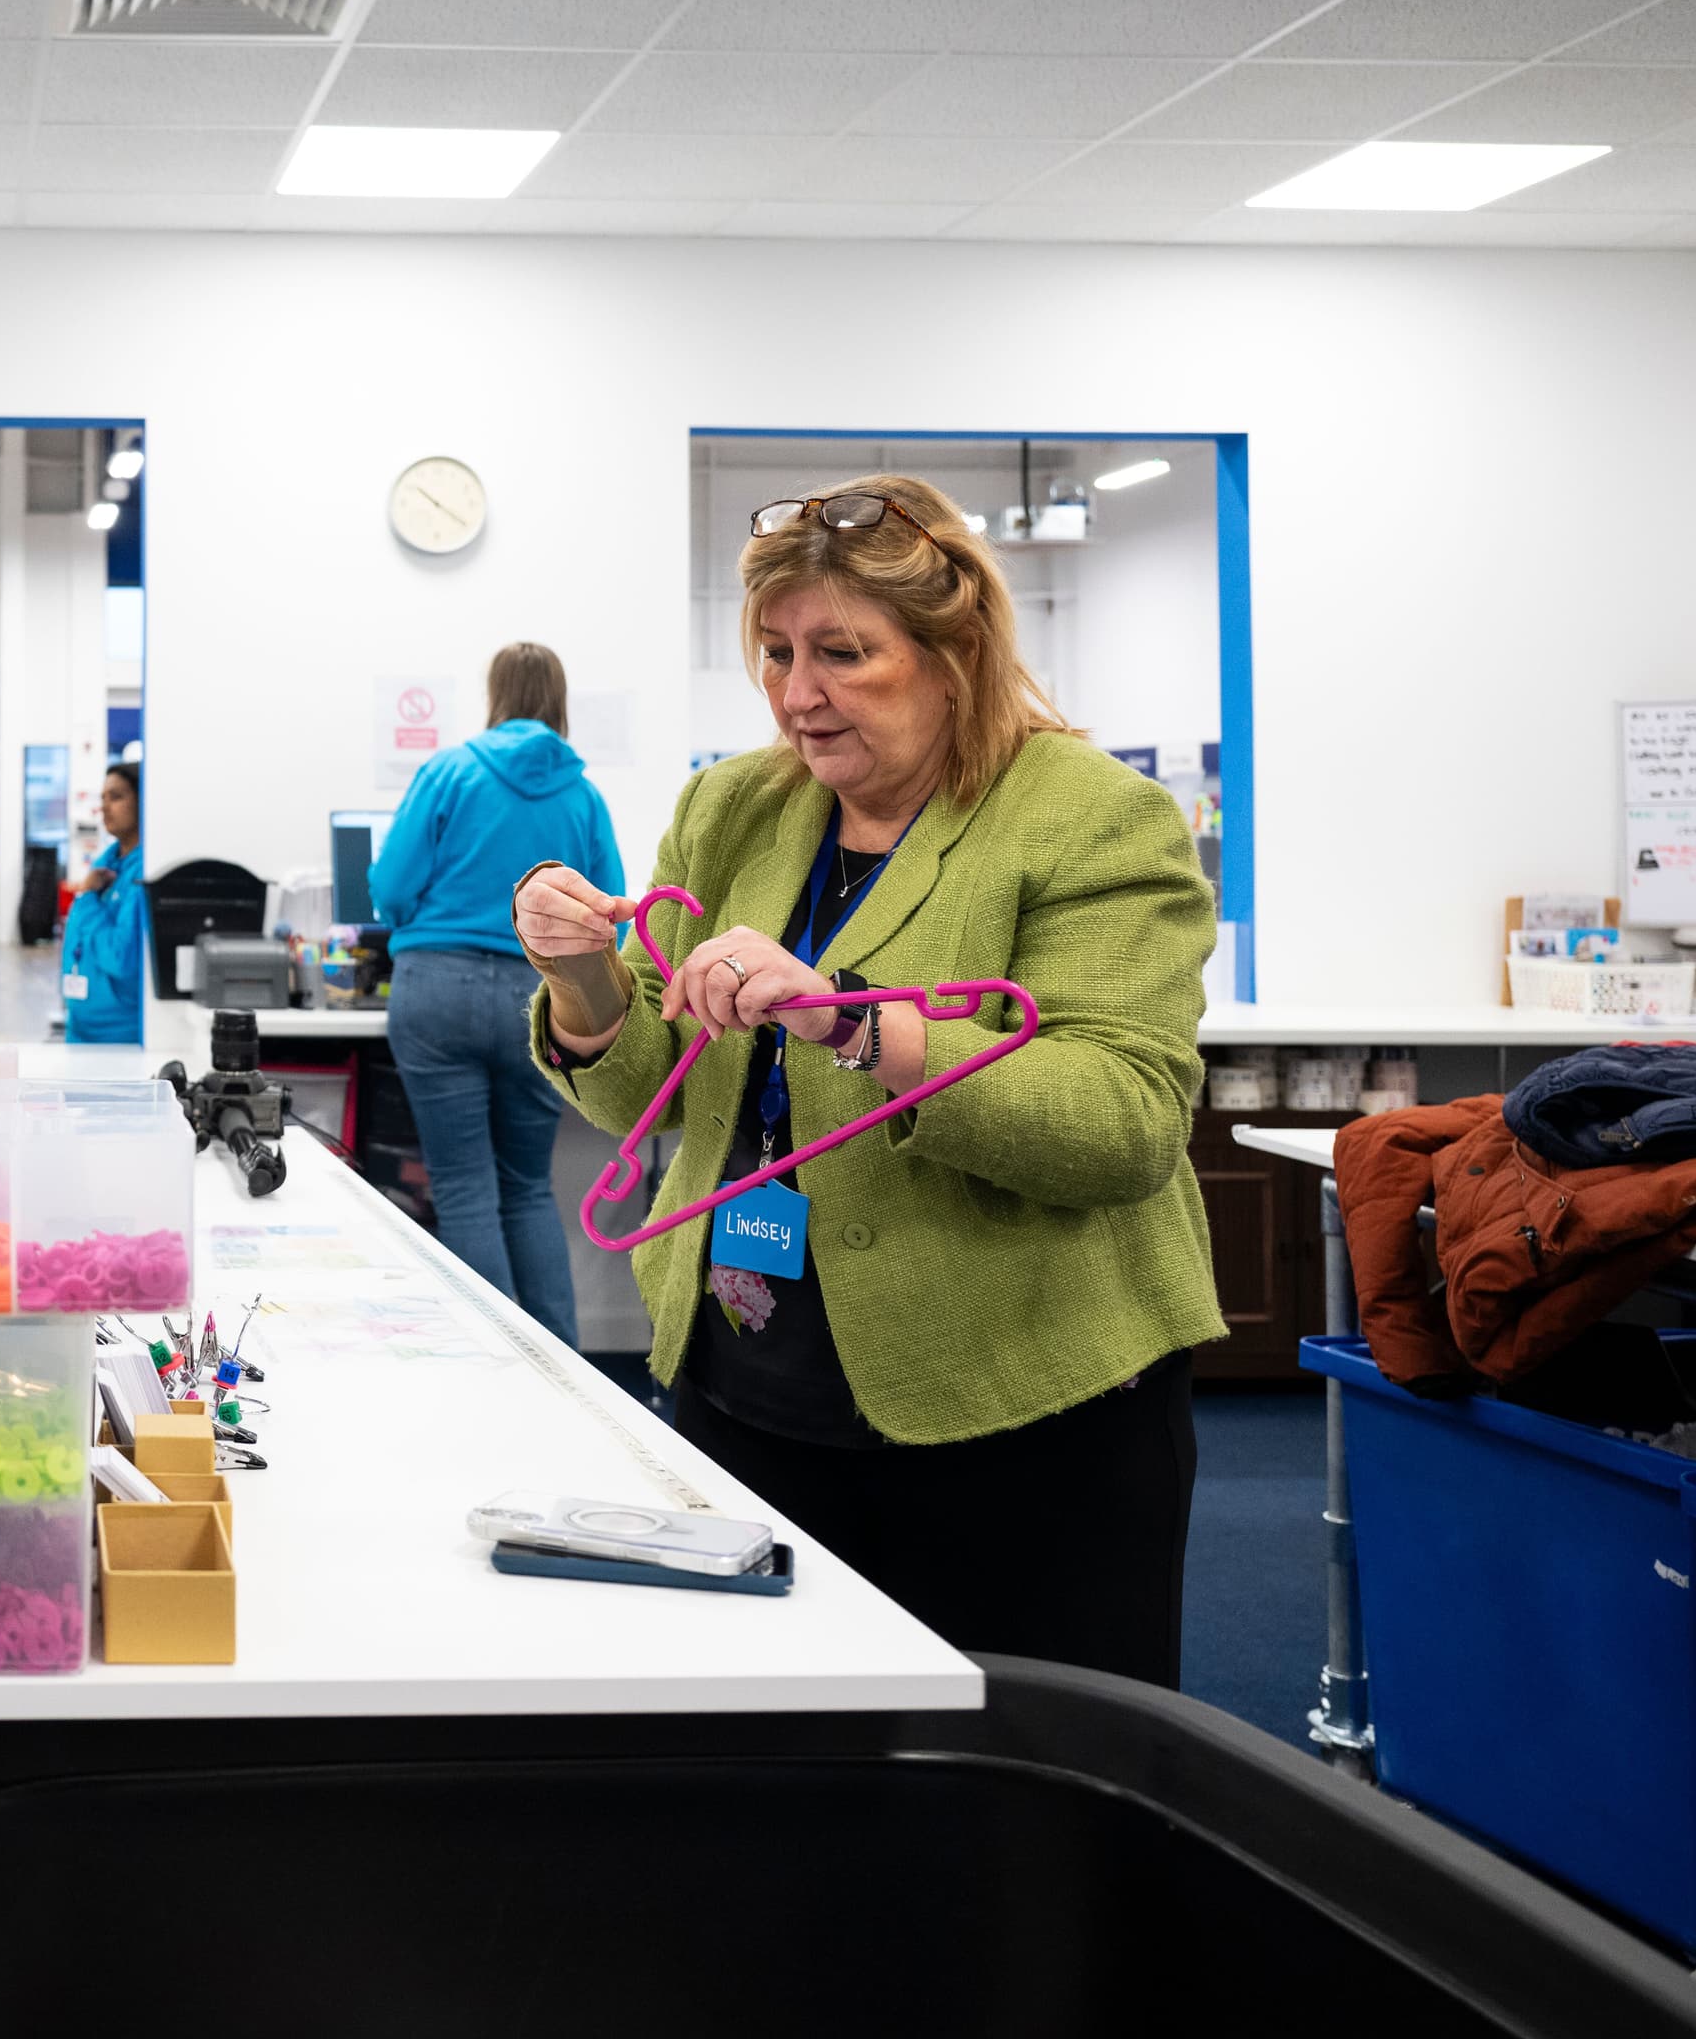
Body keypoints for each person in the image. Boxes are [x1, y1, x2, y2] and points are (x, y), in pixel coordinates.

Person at [513, 474, 1220, 1686]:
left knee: (1016, 1790)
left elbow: (1121, 1122)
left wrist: (856, 1027)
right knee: (788, 1772)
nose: (797, 695)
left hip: (1017, 1403)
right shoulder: (738, 808)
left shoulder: (1092, 818)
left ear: (956, 657)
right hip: (751, 1385)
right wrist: (582, 980)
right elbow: (644, 1101)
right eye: (778, 652)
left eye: (843, 652)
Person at [370, 644, 628, 1347]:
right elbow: (610, 918)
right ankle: (563, 1368)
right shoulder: (583, 796)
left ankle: (491, 1365)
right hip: (538, 997)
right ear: (559, 699)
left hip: (436, 992)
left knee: (462, 1189)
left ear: (495, 694)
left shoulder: (448, 772)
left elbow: (390, 888)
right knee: (527, 1187)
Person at [58, 762, 145, 1046]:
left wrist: (88, 898)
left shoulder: (142, 873)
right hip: (81, 1032)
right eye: (103, 798)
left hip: (118, 1038)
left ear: (144, 800)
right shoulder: (105, 864)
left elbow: (121, 957)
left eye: (117, 797)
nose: (105, 807)